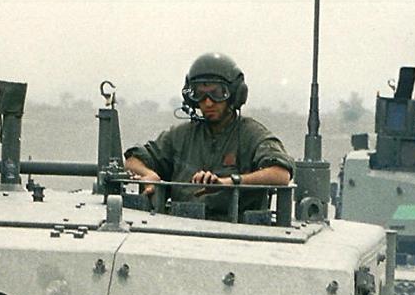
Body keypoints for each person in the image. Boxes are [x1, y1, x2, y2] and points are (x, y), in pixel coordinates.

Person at [122, 52, 292, 210]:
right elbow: (133, 160)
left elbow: (281, 174)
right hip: (181, 223)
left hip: (237, 225)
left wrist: (228, 183)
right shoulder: (181, 136)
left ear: (234, 94)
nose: (208, 102)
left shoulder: (251, 134)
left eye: (217, 93)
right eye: (199, 94)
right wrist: (149, 174)